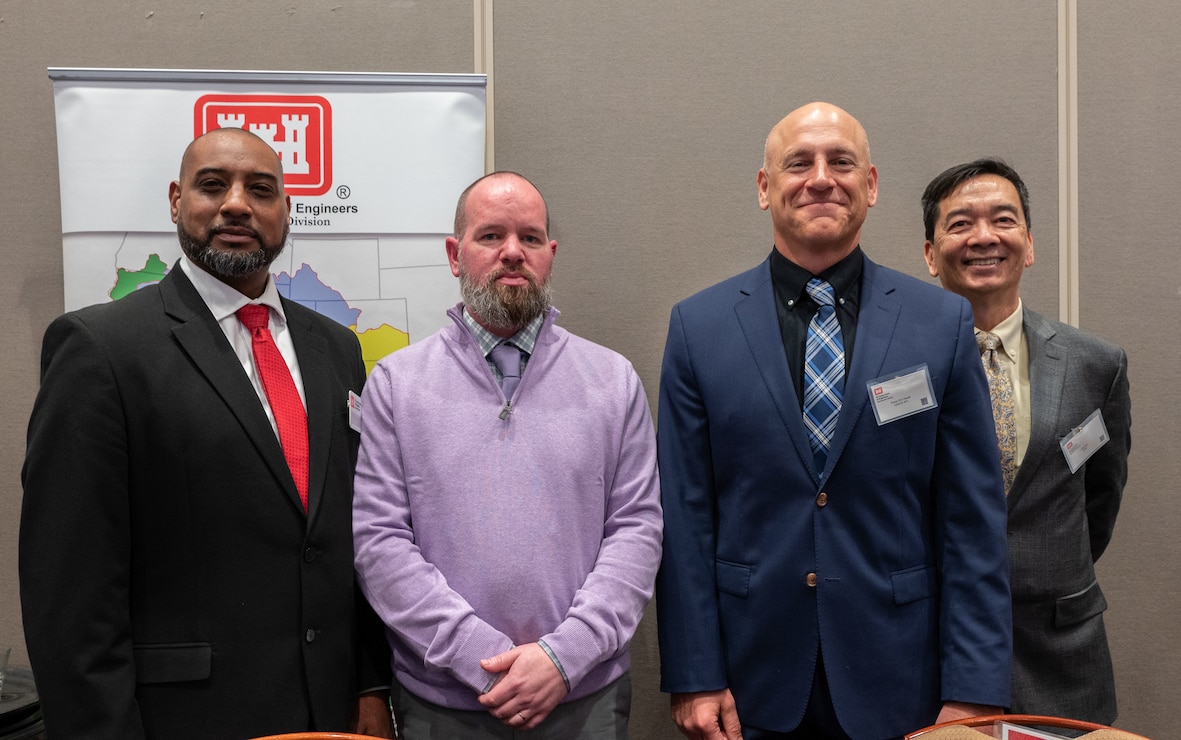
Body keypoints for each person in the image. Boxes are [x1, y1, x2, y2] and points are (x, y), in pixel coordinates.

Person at [19, 127, 392, 739]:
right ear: (175, 200)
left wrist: (371, 689)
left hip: (331, 716)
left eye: (261, 189)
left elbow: (348, 539)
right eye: (213, 185)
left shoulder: (336, 350)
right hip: (183, 721)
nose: (238, 204)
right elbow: (69, 595)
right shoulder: (101, 351)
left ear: (285, 209)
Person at [655, 102, 1012, 740]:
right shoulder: (698, 328)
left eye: (841, 162)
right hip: (748, 681)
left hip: (905, 680)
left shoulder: (941, 324)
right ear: (766, 189)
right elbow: (684, 518)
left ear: (870, 185)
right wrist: (694, 672)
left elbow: (972, 523)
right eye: (799, 163)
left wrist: (975, 691)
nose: (821, 177)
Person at [352, 171, 663, 739]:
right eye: (491, 235)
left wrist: (562, 658)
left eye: (530, 237)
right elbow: (379, 543)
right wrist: (480, 657)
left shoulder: (612, 380)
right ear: (454, 254)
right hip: (443, 704)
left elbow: (637, 531)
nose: (513, 252)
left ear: (551, 253)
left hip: (582, 697)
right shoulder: (397, 384)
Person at [922, 158, 1131, 724]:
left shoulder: (1096, 365)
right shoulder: (898, 366)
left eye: (1003, 220)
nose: (984, 237)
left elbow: (1099, 503)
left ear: (1030, 244)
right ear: (930, 253)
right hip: (936, 652)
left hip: (1061, 654)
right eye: (960, 223)